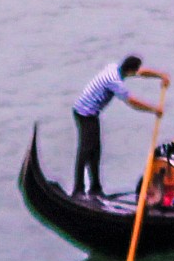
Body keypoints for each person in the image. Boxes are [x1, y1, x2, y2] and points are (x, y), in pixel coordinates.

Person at [70, 55, 167, 197]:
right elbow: (132, 102)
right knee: (86, 150)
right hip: (84, 113)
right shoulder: (114, 82)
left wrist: (161, 75)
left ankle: (95, 188)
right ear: (129, 71)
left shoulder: (115, 67)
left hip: (91, 114)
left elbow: (141, 72)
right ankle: (78, 189)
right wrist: (154, 110)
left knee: (96, 150)